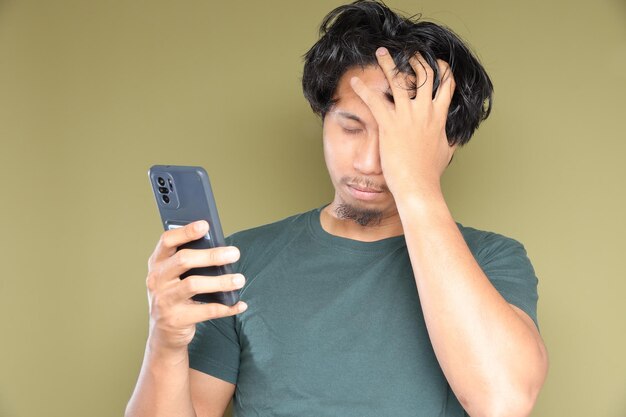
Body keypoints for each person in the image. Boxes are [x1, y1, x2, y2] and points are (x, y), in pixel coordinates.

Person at [126, 1, 549, 416]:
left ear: (446, 146)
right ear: (323, 119)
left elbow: (504, 402)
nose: (367, 162)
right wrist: (164, 342)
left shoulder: (492, 260)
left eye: (394, 140)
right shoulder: (238, 263)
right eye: (351, 127)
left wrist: (416, 182)